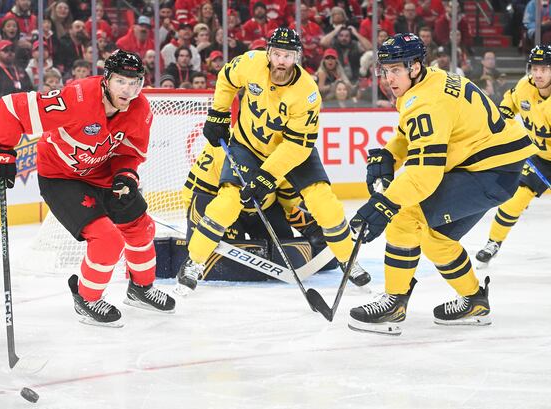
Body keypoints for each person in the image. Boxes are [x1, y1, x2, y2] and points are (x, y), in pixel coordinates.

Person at [347, 33, 537, 335]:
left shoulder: (426, 102)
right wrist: (389, 154)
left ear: (415, 66)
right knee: (435, 238)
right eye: (385, 69)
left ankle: (394, 303)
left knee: (405, 218)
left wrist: (383, 205)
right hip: (494, 167)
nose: (389, 78)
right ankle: (475, 302)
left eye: (396, 69)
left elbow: (425, 173)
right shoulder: (430, 80)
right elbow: (409, 131)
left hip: (488, 171)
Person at [0, 50, 176, 327]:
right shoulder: (76, 99)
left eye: (135, 83)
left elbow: (128, 152)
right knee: (107, 239)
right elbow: (11, 108)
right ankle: (87, 298)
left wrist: (125, 176)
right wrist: (1, 153)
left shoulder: (140, 109)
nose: (128, 89)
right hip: (61, 177)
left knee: (142, 226)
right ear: (107, 79)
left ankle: (141, 289)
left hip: (103, 175)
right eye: (121, 81)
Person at [174, 28, 365, 296]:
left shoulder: (307, 93)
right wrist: (218, 113)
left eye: (288, 55)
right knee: (228, 200)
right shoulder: (251, 63)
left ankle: (348, 259)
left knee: (324, 201)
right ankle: (194, 261)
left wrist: (267, 175)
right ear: (269, 53)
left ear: (297, 58)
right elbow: (227, 78)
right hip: (247, 145)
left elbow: (297, 146)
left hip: (294, 150)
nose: (281, 61)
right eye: (277, 53)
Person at [180, 141, 370, 290]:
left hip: (265, 210)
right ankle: (196, 259)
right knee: (223, 258)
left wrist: (313, 229)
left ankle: (335, 253)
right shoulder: (222, 149)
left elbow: (289, 202)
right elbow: (195, 192)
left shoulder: (285, 154)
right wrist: (197, 226)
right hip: (226, 214)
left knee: (290, 252)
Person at [475, 45, 551, 267]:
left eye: (545, 68)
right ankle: (493, 243)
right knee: (514, 200)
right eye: (535, 68)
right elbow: (510, 102)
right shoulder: (525, 86)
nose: (538, 74)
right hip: (539, 158)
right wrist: (503, 117)